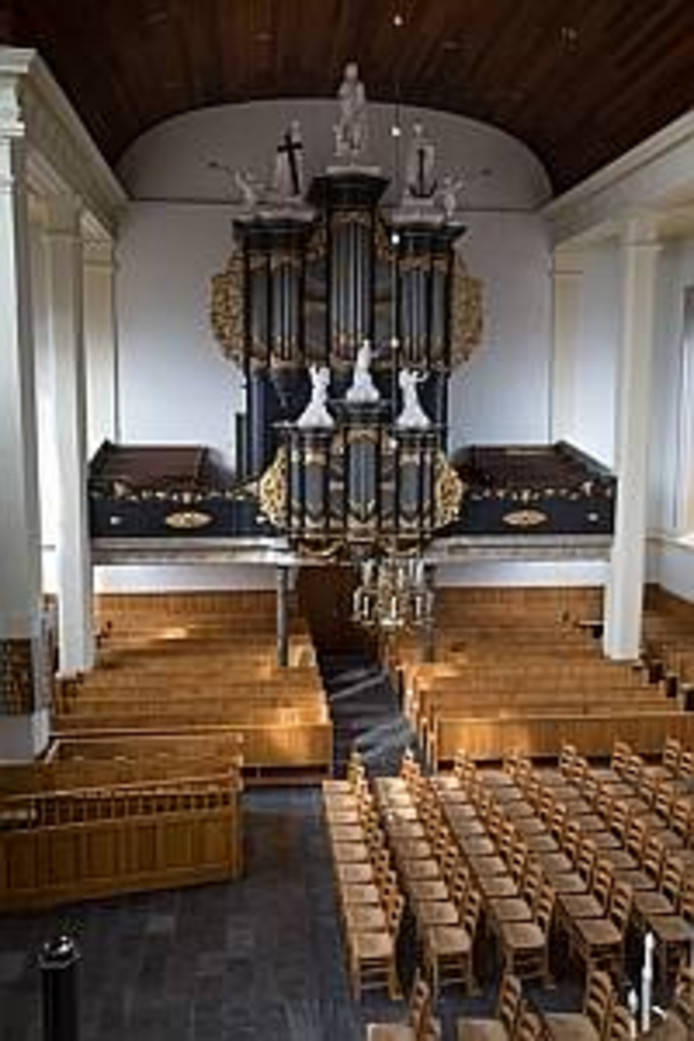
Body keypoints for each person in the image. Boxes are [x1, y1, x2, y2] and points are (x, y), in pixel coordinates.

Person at [334, 62, 368, 159]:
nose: (350, 76)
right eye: (349, 73)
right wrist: (346, 97)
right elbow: (340, 96)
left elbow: (361, 101)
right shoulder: (344, 85)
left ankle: (355, 148)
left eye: (352, 73)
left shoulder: (359, 86)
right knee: (341, 129)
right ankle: (341, 149)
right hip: (346, 113)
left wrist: (355, 110)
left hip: (356, 115)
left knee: (356, 130)